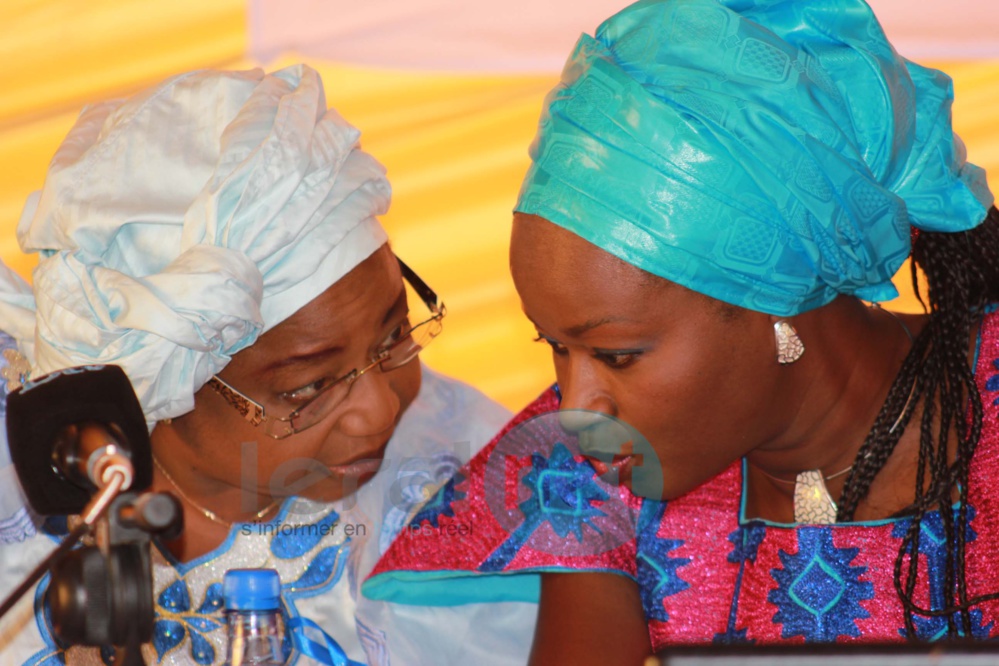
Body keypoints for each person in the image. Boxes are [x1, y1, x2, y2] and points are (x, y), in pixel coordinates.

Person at [364, 0, 999, 662]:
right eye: (553, 346)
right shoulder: (597, 466)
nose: (578, 405)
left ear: (777, 311)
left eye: (616, 354)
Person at [0, 65, 537, 665]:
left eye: (394, 336)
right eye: (310, 388)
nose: (379, 409)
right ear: (155, 393)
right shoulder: (20, 470)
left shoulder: (480, 492)